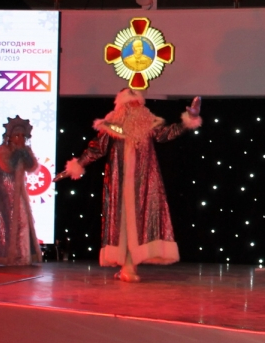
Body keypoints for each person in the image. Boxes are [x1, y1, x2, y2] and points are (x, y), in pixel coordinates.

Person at [64, 90, 201, 282]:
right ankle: (127, 267)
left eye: (137, 104)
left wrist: (190, 118)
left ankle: (129, 266)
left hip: (143, 183)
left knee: (138, 223)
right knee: (123, 224)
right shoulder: (112, 125)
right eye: (130, 104)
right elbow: (96, 148)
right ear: (122, 107)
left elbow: (167, 133)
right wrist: (77, 165)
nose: (134, 108)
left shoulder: (148, 124)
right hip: (120, 182)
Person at [0, 116, 42, 266]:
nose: (20, 138)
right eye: (17, 135)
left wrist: (25, 154)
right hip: (5, 189)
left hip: (18, 190)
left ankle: (22, 255)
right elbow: (7, 166)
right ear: (10, 137)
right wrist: (18, 154)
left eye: (22, 136)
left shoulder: (25, 150)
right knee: (6, 221)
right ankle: (5, 255)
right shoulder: (3, 150)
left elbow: (32, 167)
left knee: (22, 220)